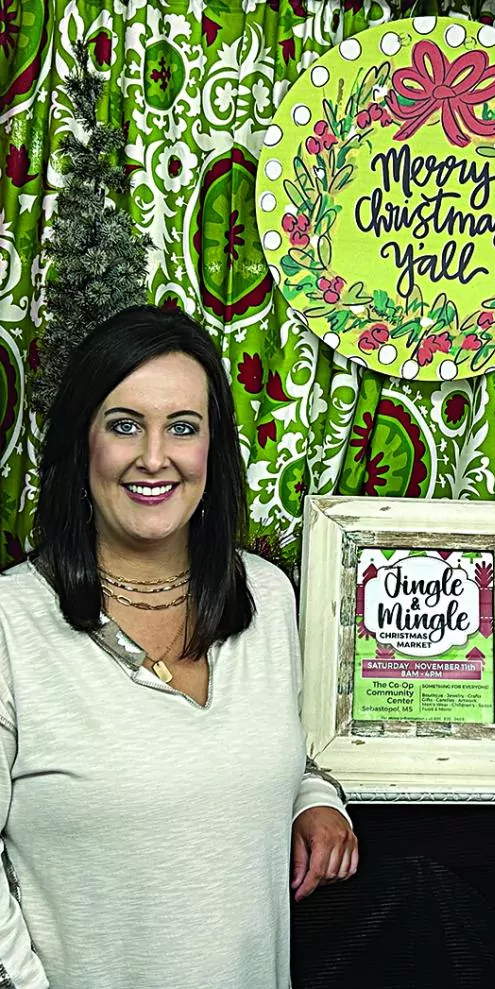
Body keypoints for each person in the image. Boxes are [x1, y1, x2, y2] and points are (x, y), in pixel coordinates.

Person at [0, 305, 358, 989]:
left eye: (183, 426)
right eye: (124, 424)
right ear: (81, 445)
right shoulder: (10, 623)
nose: (154, 456)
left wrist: (314, 799)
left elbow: (265, 751)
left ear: (212, 451)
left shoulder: (267, 595)